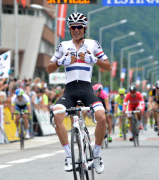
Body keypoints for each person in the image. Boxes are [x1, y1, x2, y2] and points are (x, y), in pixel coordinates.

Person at [46, 12, 111, 174]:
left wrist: (93, 59)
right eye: (73, 27)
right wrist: (61, 62)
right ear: (70, 29)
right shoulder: (63, 46)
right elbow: (48, 68)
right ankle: (68, 156)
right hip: (70, 91)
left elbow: (108, 66)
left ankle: (96, 155)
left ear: (84, 28)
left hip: (87, 89)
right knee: (57, 114)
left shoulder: (93, 44)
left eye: (79, 27)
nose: (76, 30)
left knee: (102, 116)